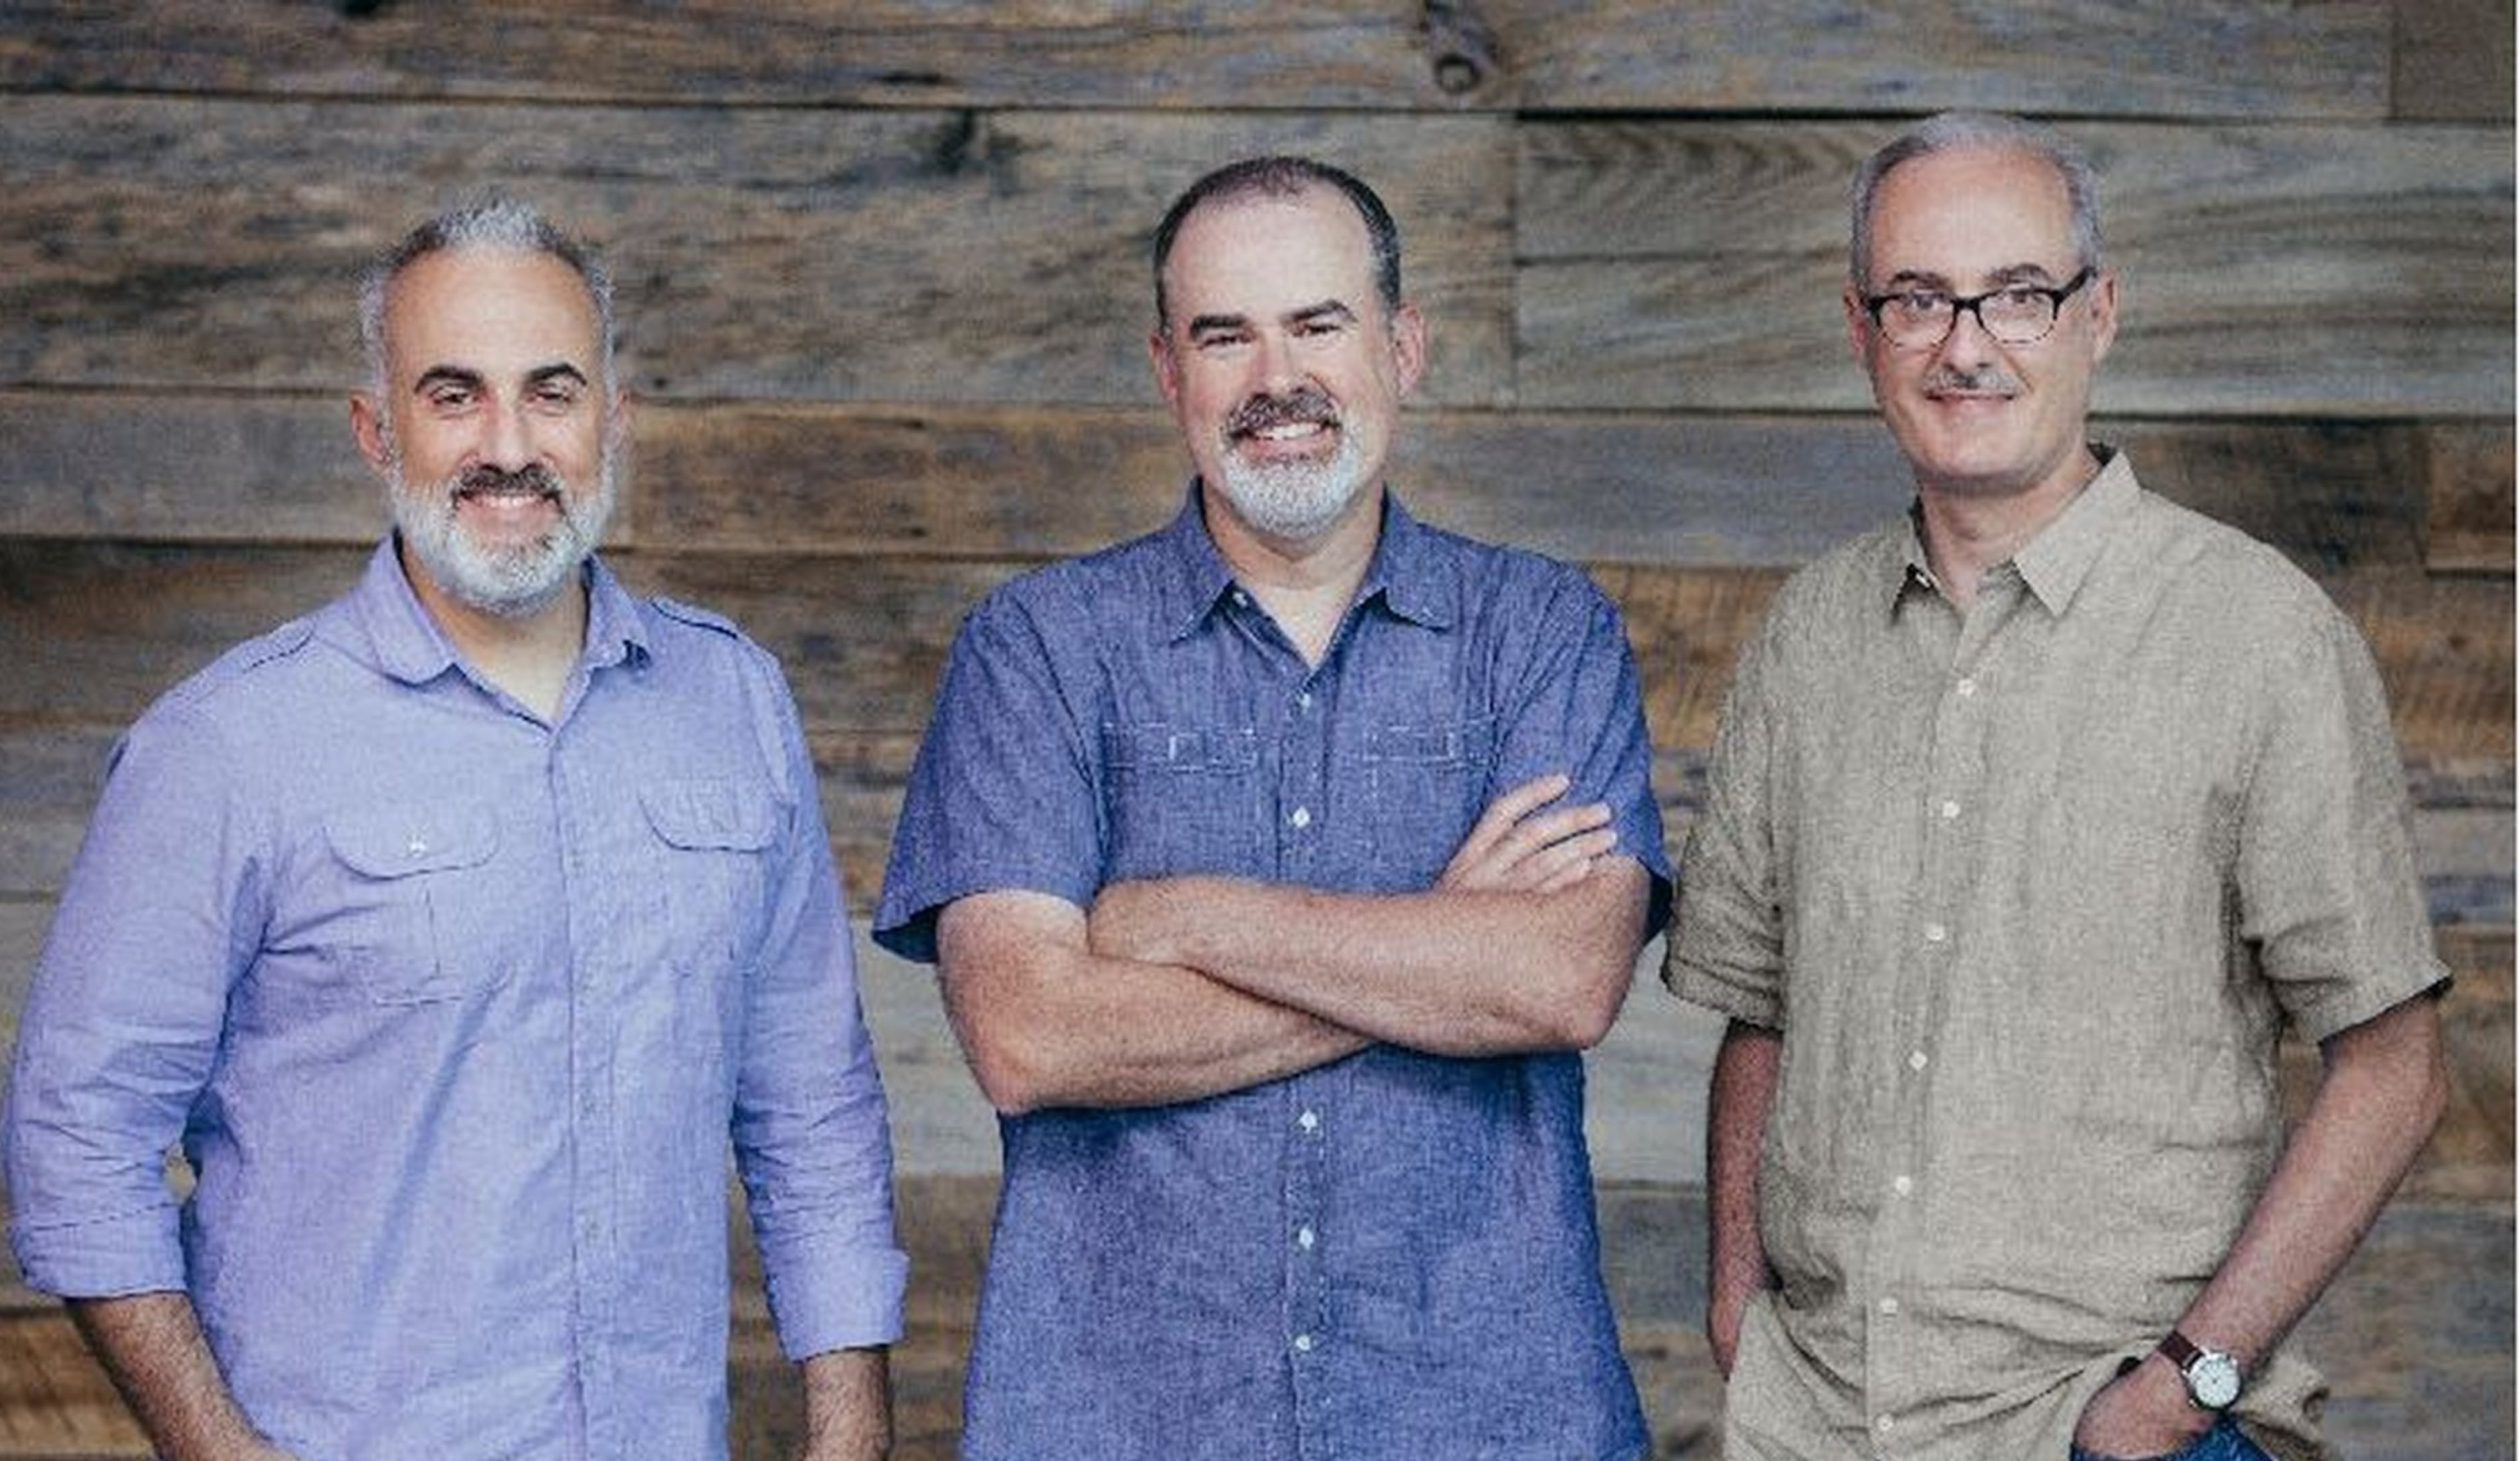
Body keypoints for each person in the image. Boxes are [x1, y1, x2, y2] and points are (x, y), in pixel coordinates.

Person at [0, 196, 907, 1460]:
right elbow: (75, 1139)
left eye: (551, 392)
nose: (509, 445)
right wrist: (219, 1451)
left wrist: (851, 1427)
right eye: (453, 395)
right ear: (379, 432)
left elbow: (813, 1106)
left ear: (614, 421)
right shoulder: (227, 750)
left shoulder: (734, 703)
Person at [1662, 110, 2450, 1461]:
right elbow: (1763, 1013)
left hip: (2100, 1431)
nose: (1967, 345)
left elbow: (2396, 1062)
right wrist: (1741, 1307)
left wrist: (2183, 1387)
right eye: (1919, 299)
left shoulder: (2258, 637)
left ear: (2100, 314)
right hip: (1815, 1424)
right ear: (1862, 329)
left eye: (2019, 296)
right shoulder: (1808, 636)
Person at [873, 156, 1667, 1460]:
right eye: (1224, 335)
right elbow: (1031, 1035)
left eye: (1319, 324)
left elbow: (1560, 983)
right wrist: (1435, 951)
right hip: (1125, 1420)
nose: (1274, 380)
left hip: (1485, 1414)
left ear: (1403, 347)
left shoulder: (1540, 632)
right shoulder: (1041, 648)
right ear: (1165, 369)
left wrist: (1179, 914)